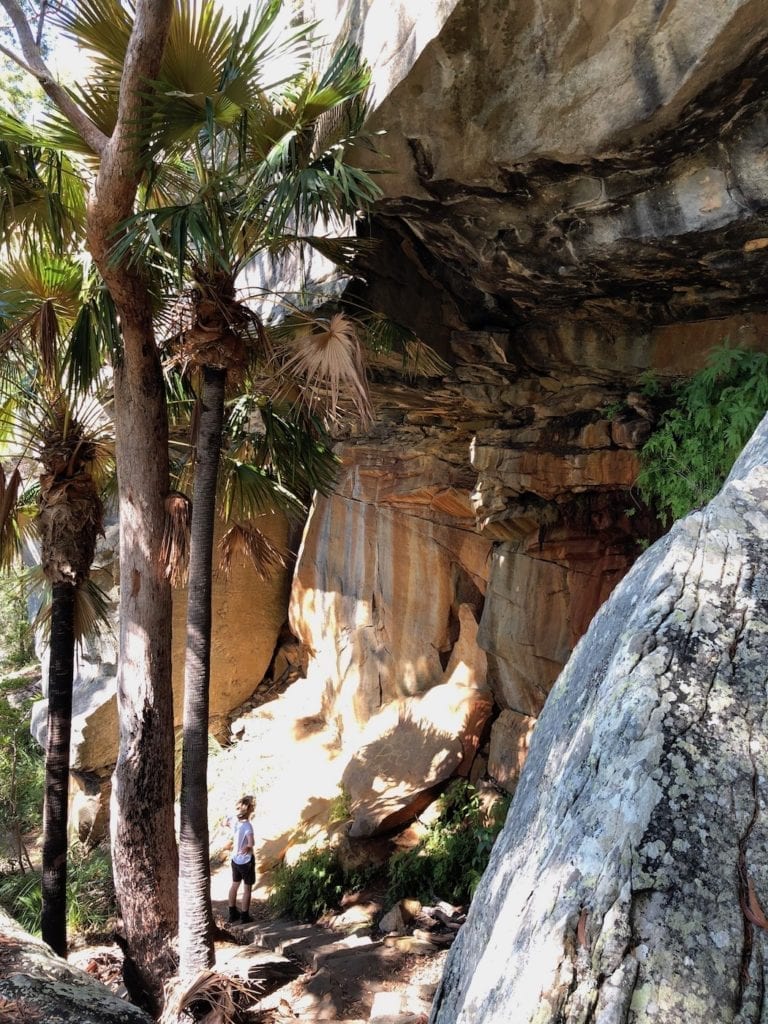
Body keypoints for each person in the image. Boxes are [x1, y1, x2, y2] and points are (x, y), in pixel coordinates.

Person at [227, 795, 255, 924]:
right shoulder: (248, 826)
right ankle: (244, 916)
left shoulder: (233, 821)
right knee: (247, 889)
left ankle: (232, 913)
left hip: (235, 860)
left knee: (234, 885)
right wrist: (248, 847)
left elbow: (224, 822)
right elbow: (251, 842)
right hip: (246, 861)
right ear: (250, 809)